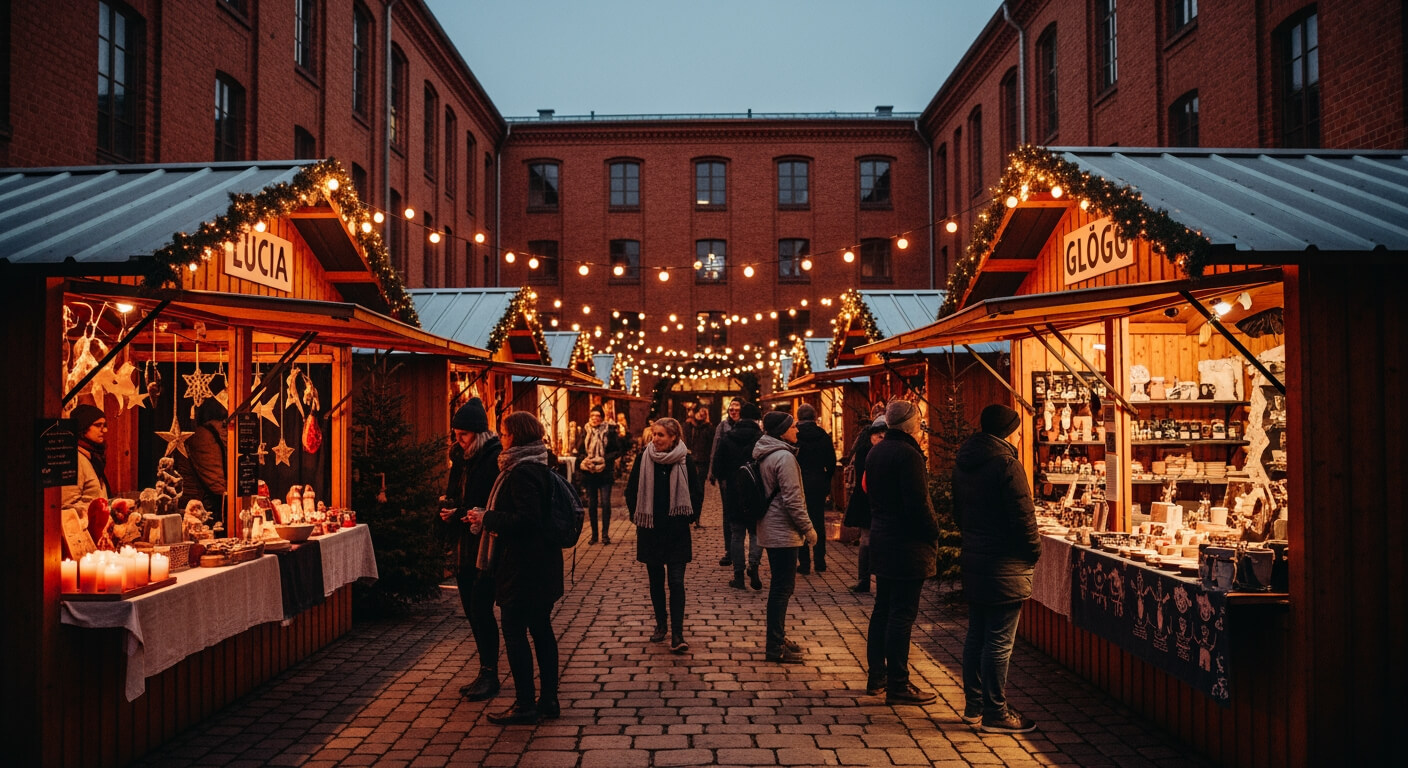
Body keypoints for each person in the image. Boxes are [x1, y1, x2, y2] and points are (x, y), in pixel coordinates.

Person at [953, 403, 1041, 734]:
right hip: (1005, 562)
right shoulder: (1007, 464)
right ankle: (995, 711)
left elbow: (959, 514)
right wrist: (1034, 551)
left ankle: (974, 705)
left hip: (976, 558)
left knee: (977, 634)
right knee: (999, 641)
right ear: (1008, 430)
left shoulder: (965, 462)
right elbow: (1024, 518)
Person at [475, 411, 564, 725]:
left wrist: (487, 518)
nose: (501, 438)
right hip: (543, 566)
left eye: (505, 432)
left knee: (514, 631)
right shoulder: (538, 466)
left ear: (518, 436)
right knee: (541, 629)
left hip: (524, 568)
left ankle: (525, 703)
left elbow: (528, 521)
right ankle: (549, 700)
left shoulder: (521, 472)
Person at [863, 400, 940, 705]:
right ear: (911, 424)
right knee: (901, 614)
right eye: (920, 422)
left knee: (883, 608)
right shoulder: (909, 455)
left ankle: (876, 677)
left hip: (883, 539)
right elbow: (918, 504)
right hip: (906, 545)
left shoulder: (877, 450)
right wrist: (933, 531)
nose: (922, 428)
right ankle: (898, 682)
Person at [437, 398, 503, 702]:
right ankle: (483, 670)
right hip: (463, 543)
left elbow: (492, 501)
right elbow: (455, 493)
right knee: (471, 610)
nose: (458, 440)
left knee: (481, 609)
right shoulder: (460, 457)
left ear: (477, 433)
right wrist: (448, 508)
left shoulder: (493, 457)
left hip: (485, 546)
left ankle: (490, 673)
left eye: (463, 435)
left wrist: (465, 510)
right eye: (456, 434)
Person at [626, 417, 703, 653]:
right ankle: (661, 623)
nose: (656, 439)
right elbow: (631, 490)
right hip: (650, 530)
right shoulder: (643, 458)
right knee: (656, 580)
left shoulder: (684, 460)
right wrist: (638, 517)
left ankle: (677, 633)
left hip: (676, 530)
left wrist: (687, 517)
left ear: (673, 437)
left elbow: (696, 492)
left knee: (677, 582)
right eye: (654, 434)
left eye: (661, 435)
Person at [754, 410, 815, 663]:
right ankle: (775, 645)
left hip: (770, 527)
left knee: (781, 587)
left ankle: (777, 637)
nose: (797, 430)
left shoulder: (765, 452)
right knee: (782, 589)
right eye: (792, 427)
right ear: (781, 431)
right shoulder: (783, 457)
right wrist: (808, 529)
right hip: (783, 531)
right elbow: (793, 499)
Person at [713, 401, 765, 590]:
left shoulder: (728, 437)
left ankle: (738, 575)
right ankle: (754, 566)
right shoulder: (761, 438)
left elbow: (718, 466)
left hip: (734, 490)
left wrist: (726, 479)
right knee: (755, 532)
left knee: (736, 533)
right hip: (755, 490)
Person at [843, 416, 886, 592]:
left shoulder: (874, 450)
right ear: (872, 435)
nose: (882, 438)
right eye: (879, 435)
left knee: (873, 540)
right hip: (866, 499)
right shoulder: (865, 452)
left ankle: (870, 579)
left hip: (874, 500)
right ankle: (864, 580)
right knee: (866, 540)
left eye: (885, 435)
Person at [61, 403, 111, 551]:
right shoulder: (74, 459)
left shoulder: (92, 458)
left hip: (98, 537)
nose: (105, 430)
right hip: (82, 541)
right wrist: (96, 512)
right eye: (98, 425)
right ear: (84, 427)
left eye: (105, 425)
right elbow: (67, 507)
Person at [793, 403, 836, 575]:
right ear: (814, 416)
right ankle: (820, 561)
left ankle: (804, 563)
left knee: (800, 522)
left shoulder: (795, 436)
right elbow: (831, 462)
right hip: (818, 482)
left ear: (798, 417)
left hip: (799, 482)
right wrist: (826, 480)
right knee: (818, 521)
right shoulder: (823, 436)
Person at [573, 405, 622, 544]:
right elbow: (579, 449)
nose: (595, 418)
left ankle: (605, 534)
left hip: (605, 472)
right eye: (592, 415)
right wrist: (585, 460)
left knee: (606, 503)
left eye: (597, 416)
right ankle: (594, 535)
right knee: (592, 504)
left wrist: (603, 459)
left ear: (602, 418)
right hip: (589, 473)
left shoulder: (610, 430)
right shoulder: (584, 431)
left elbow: (617, 450)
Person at [175, 400, 228, 522]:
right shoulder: (204, 437)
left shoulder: (213, 435)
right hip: (196, 509)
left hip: (203, 506)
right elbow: (217, 484)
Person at [710, 397, 744, 565]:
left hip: (745, 477)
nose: (734, 411)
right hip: (728, 478)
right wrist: (713, 472)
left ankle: (749, 555)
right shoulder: (723, 426)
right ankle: (730, 550)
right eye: (732, 409)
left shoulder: (749, 426)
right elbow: (715, 450)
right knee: (728, 514)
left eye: (737, 409)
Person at [682, 405, 713, 529]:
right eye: (700, 411)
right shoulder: (687, 426)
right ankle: (687, 515)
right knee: (687, 489)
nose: (702, 414)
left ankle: (697, 517)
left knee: (699, 490)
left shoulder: (709, 428)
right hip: (688, 459)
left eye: (705, 412)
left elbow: (711, 446)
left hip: (702, 462)